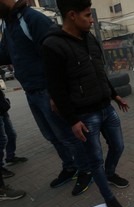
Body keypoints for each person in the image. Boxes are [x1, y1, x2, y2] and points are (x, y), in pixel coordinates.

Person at [42, 0, 129, 207]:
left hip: (106, 108)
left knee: (118, 146)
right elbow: (57, 90)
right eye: (87, 15)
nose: (91, 20)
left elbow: (100, 73)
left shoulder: (89, 38)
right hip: (84, 116)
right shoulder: (53, 46)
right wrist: (72, 120)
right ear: (72, 15)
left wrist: (114, 95)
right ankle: (109, 198)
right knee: (95, 161)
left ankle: (110, 174)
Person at [0, 0, 92, 196]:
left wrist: (56, 94)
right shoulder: (6, 24)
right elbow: (6, 55)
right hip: (31, 91)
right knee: (51, 135)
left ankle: (86, 169)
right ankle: (70, 167)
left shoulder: (32, 18)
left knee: (67, 135)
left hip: (47, 90)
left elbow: (55, 53)